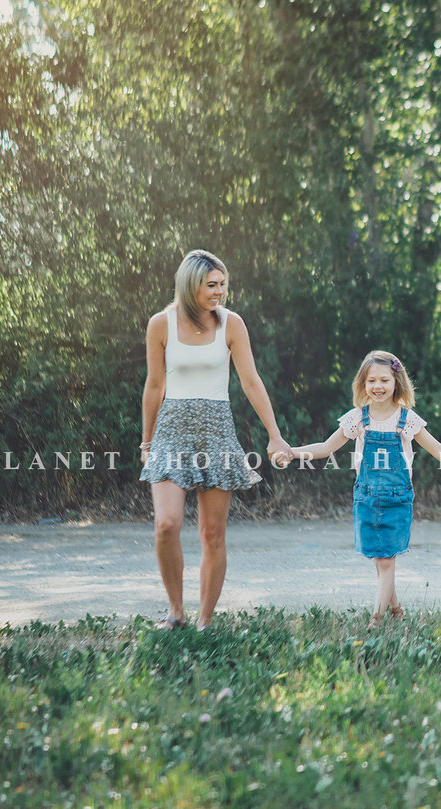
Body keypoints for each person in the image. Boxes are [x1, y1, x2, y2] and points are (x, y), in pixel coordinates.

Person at [140, 249, 293, 630]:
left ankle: (205, 621)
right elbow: (154, 386)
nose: (219, 292)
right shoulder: (161, 324)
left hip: (216, 431)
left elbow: (251, 381)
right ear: (190, 285)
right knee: (167, 524)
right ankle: (176, 612)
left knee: (212, 533)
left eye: (223, 285)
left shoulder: (231, 324)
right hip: (171, 432)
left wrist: (274, 435)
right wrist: (146, 444)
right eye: (212, 285)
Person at [282, 350, 441, 629]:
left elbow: (439, 450)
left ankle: (377, 620)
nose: (378, 386)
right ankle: (396, 610)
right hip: (367, 497)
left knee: (386, 560)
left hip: (397, 499)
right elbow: (325, 448)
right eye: (372, 380)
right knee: (379, 559)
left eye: (384, 379)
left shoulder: (407, 419)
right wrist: (292, 452)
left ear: (396, 382)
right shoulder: (357, 419)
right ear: (363, 383)